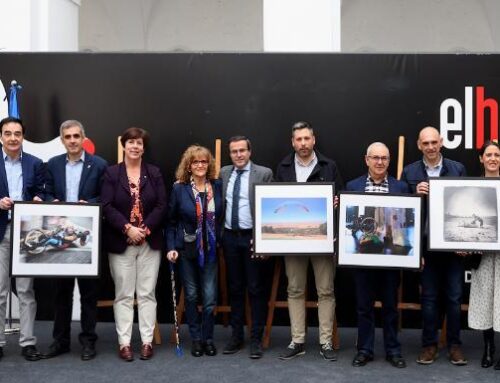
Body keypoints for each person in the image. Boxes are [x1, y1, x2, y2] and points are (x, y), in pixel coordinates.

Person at [275, 121, 343, 361]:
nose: (303, 143)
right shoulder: (283, 167)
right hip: (292, 241)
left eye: (307, 139)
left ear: (314, 140)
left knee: (326, 290)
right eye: (298, 140)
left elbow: (340, 202)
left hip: (322, 241)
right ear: (292, 142)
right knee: (294, 289)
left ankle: (325, 342)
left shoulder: (329, 166)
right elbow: (275, 203)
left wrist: (337, 204)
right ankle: (298, 341)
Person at [401, 126, 467, 365]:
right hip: (425, 246)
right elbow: (402, 214)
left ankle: (455, 346)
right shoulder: (409, 172)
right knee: (428, 299)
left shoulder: (457, 169)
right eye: (425, 143)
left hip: (452, 245)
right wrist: (414, 194)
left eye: (434, 142)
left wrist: (463, 241)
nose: (430, 147)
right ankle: (429, 345)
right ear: (419, 145)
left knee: (454, 297)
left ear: (441, 143)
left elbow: (463, 204)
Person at [42, 120, 107, 361]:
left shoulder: (99, 165)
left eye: (76, 136)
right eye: (67, 137)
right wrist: (52, 202)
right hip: (61, 237)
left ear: (83, 138)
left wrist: (88, 206)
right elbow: (46, 193)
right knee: (62, 293)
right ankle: (60, 341)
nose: (72, 140)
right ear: (62, 140)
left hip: (87, 237)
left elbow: (105, 196)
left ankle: (88, 341)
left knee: (89, 294)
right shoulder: (53, 165)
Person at [101, 127, 166, 362]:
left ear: (143, 147)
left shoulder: (155, 173)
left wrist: (144, 230)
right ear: (124, 146)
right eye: (131, 143)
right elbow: (106, 206)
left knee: (147, 293)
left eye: (139, 143)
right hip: (121, 242)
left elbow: (161, 206)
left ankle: (147, 342)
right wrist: (128, 228)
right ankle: (125, 343)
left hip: (150, 242)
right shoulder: (111, 173)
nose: (135, 147)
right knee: (124, 295)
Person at [345, 142, 409, 368]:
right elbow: (349, 224)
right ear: (367, 160)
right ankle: (365, 349)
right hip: (362, 257)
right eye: (375, 158)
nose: (380, 162)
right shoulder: (352, 186)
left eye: (384, 158)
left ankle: (393, 350)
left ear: (389, 161)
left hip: (390, 259)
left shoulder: (401, 187)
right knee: (364, 307)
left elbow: (404, 224)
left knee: (391, 307)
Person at [166, 145, 223, 357]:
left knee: (209, 300)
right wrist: (171, 247)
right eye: (195, 162)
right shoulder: (179, 188)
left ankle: (208, 339)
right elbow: (171, 222)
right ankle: (196, 340)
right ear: (188, 166)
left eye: (203, 161)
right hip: (187, 250)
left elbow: (222, 217)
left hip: (210, 251)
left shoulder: (216, 186)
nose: (200, 165)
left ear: (208, 165)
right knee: (191, 296)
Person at [219, 136, 273, 359]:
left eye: (242, 150)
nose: (238, 155)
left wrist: (262, 238)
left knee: (256, 289)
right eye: (234, 151)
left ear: (250, 152)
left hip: (252, 238)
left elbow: (269, 205)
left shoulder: (264, 173)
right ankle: (236, 336)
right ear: (230, 154)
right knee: (235, 288)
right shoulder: (223, 173)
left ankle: (256, 339)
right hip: (230, 238)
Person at [0, 117, 45, 361]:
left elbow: (43, 191)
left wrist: (38, 199)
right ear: (1, 137)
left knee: (26, 290)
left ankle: (28, 342)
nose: (13, 138)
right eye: (8, 133)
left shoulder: (35, 163)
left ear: (22, 137)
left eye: (17, 133)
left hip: (27, 234)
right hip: (1, 230)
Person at [468, 140, 500, 370]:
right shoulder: (472, 188)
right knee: (484, 300)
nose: (493, 158)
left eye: (497, 155)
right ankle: (489, 349)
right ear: (481, 158)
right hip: (483, 254)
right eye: (488, 154)